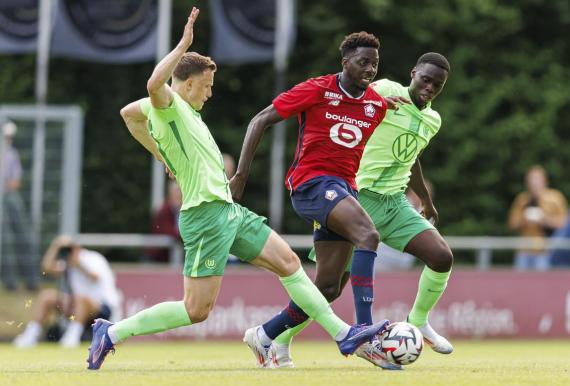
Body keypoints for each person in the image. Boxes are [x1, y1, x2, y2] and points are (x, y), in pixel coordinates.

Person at [88, 7, 389, 371]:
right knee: (195, 310)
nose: (211, 93)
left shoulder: (178, 114)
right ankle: (112, 332)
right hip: (205, 216)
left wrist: (157, 152)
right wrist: (183, 45)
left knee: (290, 264)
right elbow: (153, 88)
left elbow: (127, 114)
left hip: (228, 210)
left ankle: (343, 335)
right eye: (207, 85)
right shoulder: (168, 105)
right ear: (185, 83)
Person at [267, 53, 456, 368]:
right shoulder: (383, 89)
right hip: (356, 197)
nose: (430, 87)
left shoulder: (432, 120)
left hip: (394, 202)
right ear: (413, 73)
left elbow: (412, 154)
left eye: (438, 85)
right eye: (426, 79)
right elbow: (349, 93)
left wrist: (424, 197)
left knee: (441, 257)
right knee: (329, 288)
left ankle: (419, 321)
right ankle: (279, 338)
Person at [230, 32, 405, 369]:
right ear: (345, 62)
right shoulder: (317, 89)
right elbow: (260, 120)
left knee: (327, 287)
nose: (370, 69)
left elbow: (387, 124)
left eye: (375, 64)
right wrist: (240, 176)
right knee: (369, 236)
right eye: (363, 62)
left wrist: (393, 105)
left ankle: (265, 335)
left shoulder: (376, 105)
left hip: (343, 191)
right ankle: (364, 332)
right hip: (311, 185)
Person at [13, 235, 119, 348]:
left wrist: (78, 265)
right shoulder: (68, 263)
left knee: (80, 298)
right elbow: (46, 267)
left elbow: (95, 276)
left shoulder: (93, 258)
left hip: (102, 309)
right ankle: (31, 335)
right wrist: (55, 245)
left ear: (77, 248)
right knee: (47, 296)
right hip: (77, 307)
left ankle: (72, 337)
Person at [0, 120, 38, 291]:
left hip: (8, 196)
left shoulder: (11, 153)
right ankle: (11, 283)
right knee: (5, 241)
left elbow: (15, 182)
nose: (8, 139)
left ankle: (31, 281)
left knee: (25, 237)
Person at [508, 165, 568, 270]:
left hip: (545, 250)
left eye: (537, 179)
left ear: (545, 180)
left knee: (542, 283)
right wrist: (524, 220)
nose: (534, 183)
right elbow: (512, 224)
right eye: (531, 179)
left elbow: (566, 223)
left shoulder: (555, 198)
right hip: (524, 250)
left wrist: (545, 220)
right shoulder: (522, 200)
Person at [145, 180, 183, 263]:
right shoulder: (164, 211)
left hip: (170, 256)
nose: (179, 194)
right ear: (170, 194)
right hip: (156, 258)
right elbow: (170, 232)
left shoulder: (182, 211)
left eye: (180, 191)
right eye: (176, 192)